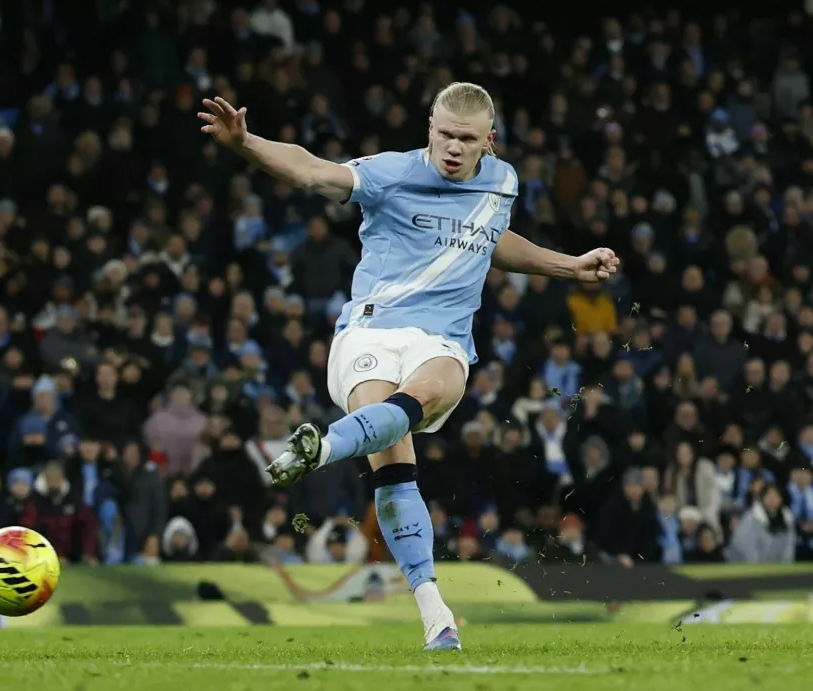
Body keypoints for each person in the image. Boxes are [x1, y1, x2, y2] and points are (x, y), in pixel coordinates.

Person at [199, 83, 619, 650]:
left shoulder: (502, 183)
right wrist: (247, 143)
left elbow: (491, 240)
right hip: (370, 328)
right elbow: (313, 172)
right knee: (390, 446)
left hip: (440, 339)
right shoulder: (391, 173)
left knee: (430, 400)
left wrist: (570, 267)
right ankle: (336, 465)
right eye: (444, 134)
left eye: (465, 139)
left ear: (487, 142)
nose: (452, 147)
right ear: (429, 128)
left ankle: (430, 610)